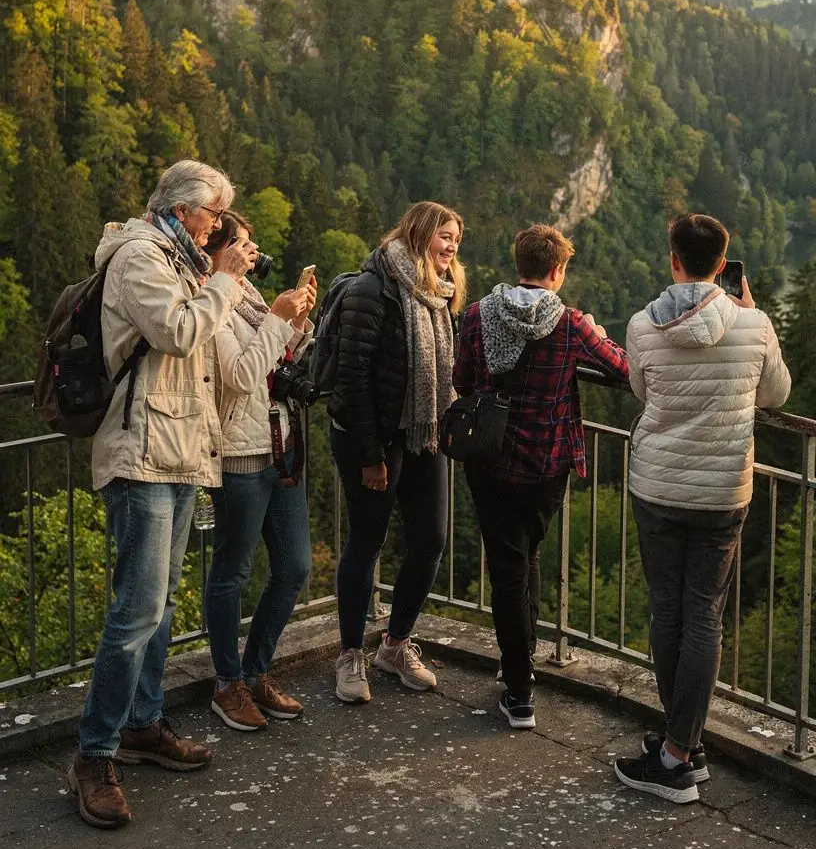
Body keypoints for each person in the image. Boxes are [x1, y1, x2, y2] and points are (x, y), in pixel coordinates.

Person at [69, 160, 255, 830]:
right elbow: (176, 331)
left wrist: (222, 283)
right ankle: (94, 754)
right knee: (136, 610)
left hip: (179, 453)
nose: (217, 227)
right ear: (181, 210)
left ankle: (144, 725)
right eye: (212, 214)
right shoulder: (139, 256)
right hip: (141, 453)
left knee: (160, 603)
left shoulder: (182, 261)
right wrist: (226, 283)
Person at [614, 213, 791, 804]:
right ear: (722, 264)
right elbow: (775, 395)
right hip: (722, 492)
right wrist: (751, 315)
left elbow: (642, 390)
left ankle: (677, 751)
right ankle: (680, 746)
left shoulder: (642, 325)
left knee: (668, 613)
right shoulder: (755, 323)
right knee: (703, 616)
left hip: (659, 487)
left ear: (673, 261)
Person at [453, 224, 629, 730]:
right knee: (526, 556)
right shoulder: (570, 323)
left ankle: (518, 686)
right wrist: (593, 327)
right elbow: (621, 367)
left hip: (488, 461)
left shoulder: (478, 316)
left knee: (508, 566)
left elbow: (461, 380)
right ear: (557, 271)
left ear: (518, 264)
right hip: (546, 464)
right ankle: (522, 676)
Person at [329, 201, 465, 704]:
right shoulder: (374, 289)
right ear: (418, 234)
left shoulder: (439, 295)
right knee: (367, 541)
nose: (451, 247)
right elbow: (353, 379)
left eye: (456, 240)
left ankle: (395, 643)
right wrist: (371, 455)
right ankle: (348, 654)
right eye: (444, 237)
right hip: (372, 436)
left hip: (423, 432)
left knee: (430, 539)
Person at [203, 212, 317, 731]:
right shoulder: (212, 303)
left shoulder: (246, 297)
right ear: (218, 251)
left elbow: (277, 362)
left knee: (294, 566)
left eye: (252, 246)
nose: (252, 256)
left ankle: (256, 671)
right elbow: (244, 377)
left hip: (280, 448)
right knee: (232, 573)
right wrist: (276, 316)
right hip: (239, 457)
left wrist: (296, 321)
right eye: (242, 247)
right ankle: (227, 684)